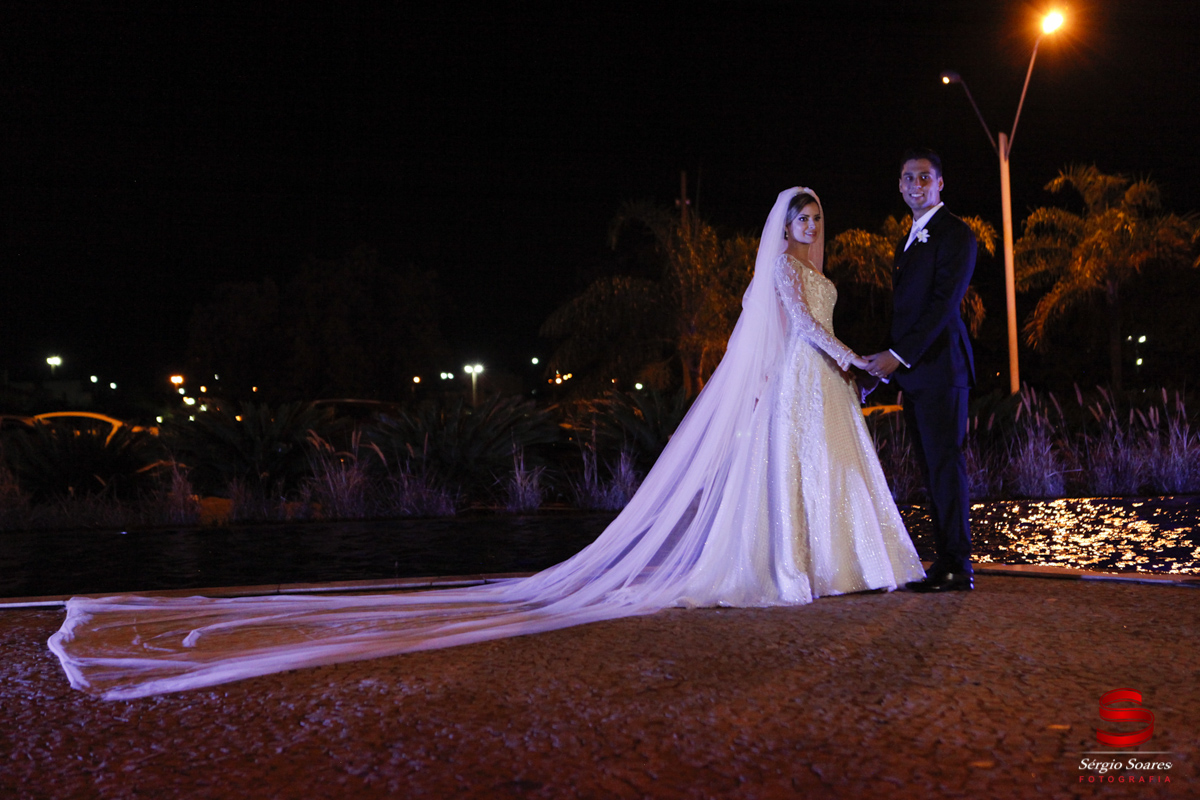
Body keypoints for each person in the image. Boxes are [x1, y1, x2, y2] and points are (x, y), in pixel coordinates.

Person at [49, 187, 924, 700]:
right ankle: (786, 570)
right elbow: (797, 333)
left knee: (831, 480)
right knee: (794, 478)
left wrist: (853, 366)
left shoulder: (823, 272)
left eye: (815, 215)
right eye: (800, 215)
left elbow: (816, 329)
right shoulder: (779, 274)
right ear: (786, 224)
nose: (809, 224)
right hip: (815, 383)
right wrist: (857, 356)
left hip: (831, 393)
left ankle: (836, 565)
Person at [863, 149, 978, 592]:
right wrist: (884, 367)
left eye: (925, 177)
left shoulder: (955, 235)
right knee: (932, 469)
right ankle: (946, 562)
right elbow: (906, 313)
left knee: (946, 466)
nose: (916, 185)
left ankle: (957, 565)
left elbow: (941, 307)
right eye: (908, 177)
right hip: (917, 374)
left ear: (940, 183)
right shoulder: (909, 236)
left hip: (942, 370)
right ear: (899, 184)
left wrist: (897, 355)